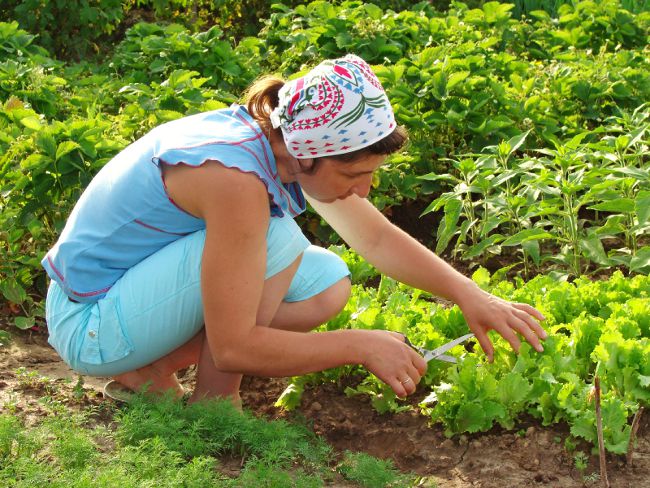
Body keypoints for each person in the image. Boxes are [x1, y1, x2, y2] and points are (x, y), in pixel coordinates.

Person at [42, 54, 547, 404]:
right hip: (90, 324)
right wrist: (361, 344)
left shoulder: (277, 145)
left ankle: (147, 371)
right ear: (311, 154)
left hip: (127, 301)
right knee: (277, 239)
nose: (364, 191)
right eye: (354, 176)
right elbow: (236, 344)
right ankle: (215, 402)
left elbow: (372, 238)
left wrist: (467, 294)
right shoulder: (236, 181)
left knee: (325, 280)